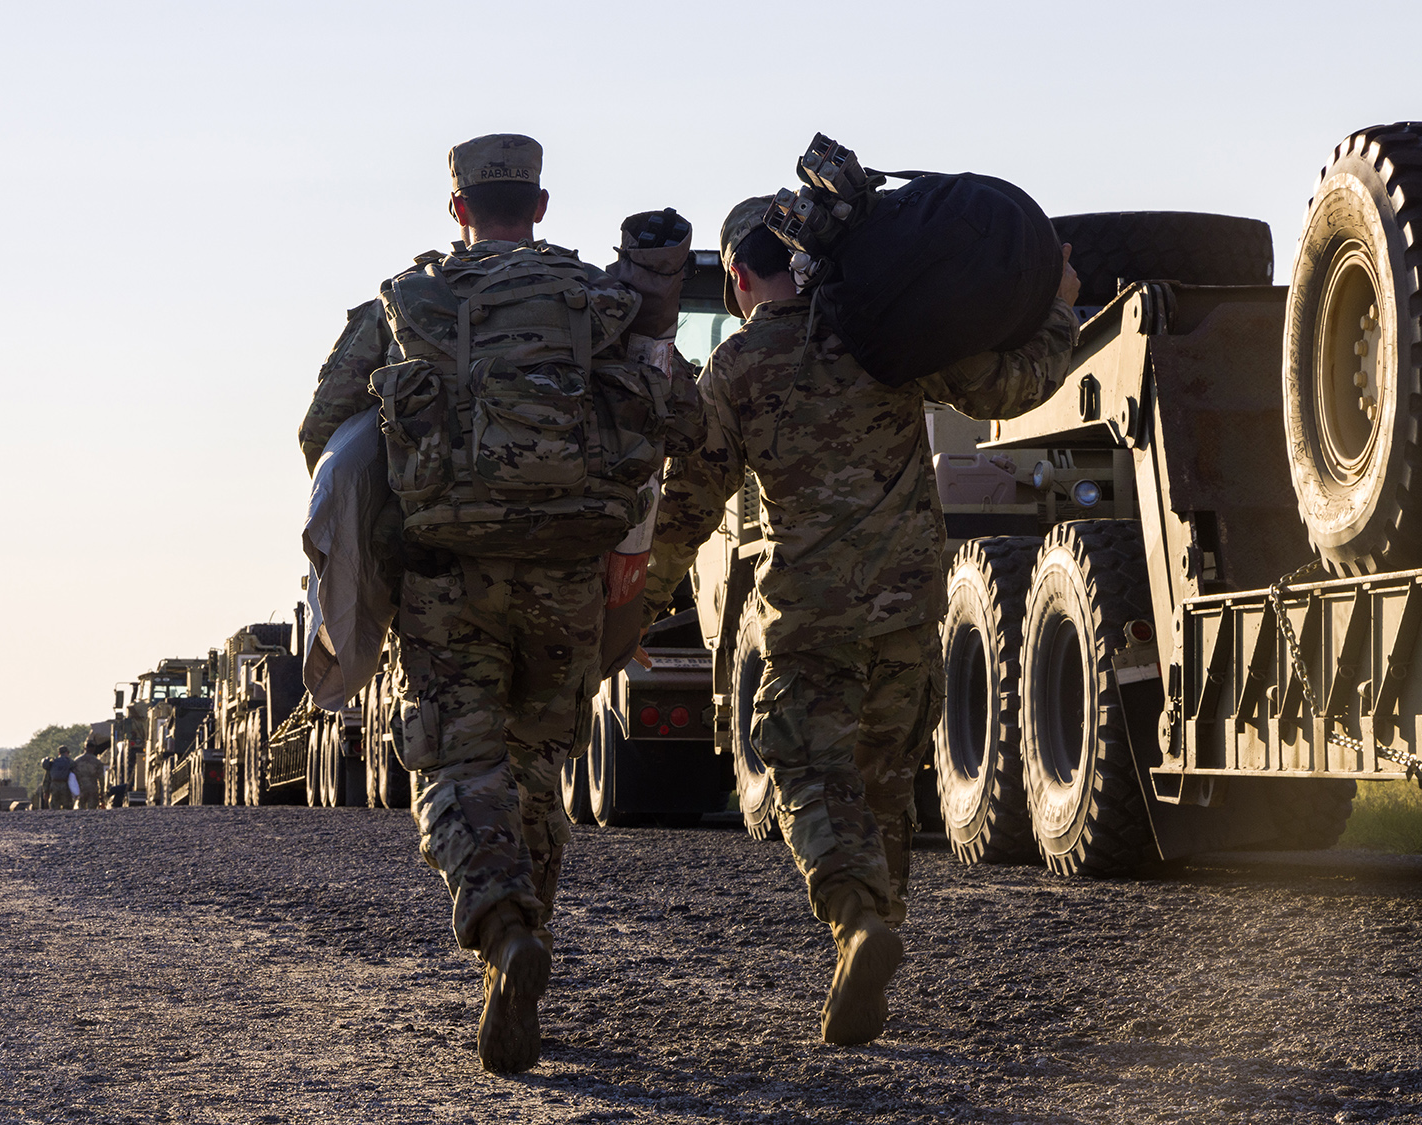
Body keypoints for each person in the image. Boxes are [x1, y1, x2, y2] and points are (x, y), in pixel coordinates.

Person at [299, 133, 695, 1074]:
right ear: (541, 206)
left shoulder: (406, 303)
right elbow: (672, 416)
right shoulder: (600, 301)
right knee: (535, 765)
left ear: (459, 209)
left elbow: (322, 431)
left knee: (456, 760)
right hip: (568, 574)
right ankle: (519, 954)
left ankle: (504, 927)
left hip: (447, 574)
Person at [646, 197, 1081, 1046]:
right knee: (882, 781)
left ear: (737, 277)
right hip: (909, 609)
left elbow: (688, 503)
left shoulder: (737, 366)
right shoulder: (880, 330)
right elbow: (1010, 385)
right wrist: (1059, 308)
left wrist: (637, 603)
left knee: (805, 769)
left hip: (810, 616)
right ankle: (874, 944)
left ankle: (855, 924)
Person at [41, 745, 77, 810]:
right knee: (67, 806)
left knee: (54, 806)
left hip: (54, 785)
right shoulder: (69, 762)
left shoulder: (52, 762)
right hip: (65, 785)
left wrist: (46, 791)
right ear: (67, 752)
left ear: (59, 753)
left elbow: (47, 779)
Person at [73, 744, 107, 809]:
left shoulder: (77, 760)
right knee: (92, 809)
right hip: (93, 788)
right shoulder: (97, 762)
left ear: (85, 748)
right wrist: (101, 791)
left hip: (81, 788)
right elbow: (101, 778)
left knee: (81, 808)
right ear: (94, 749)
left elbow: (73, 776)